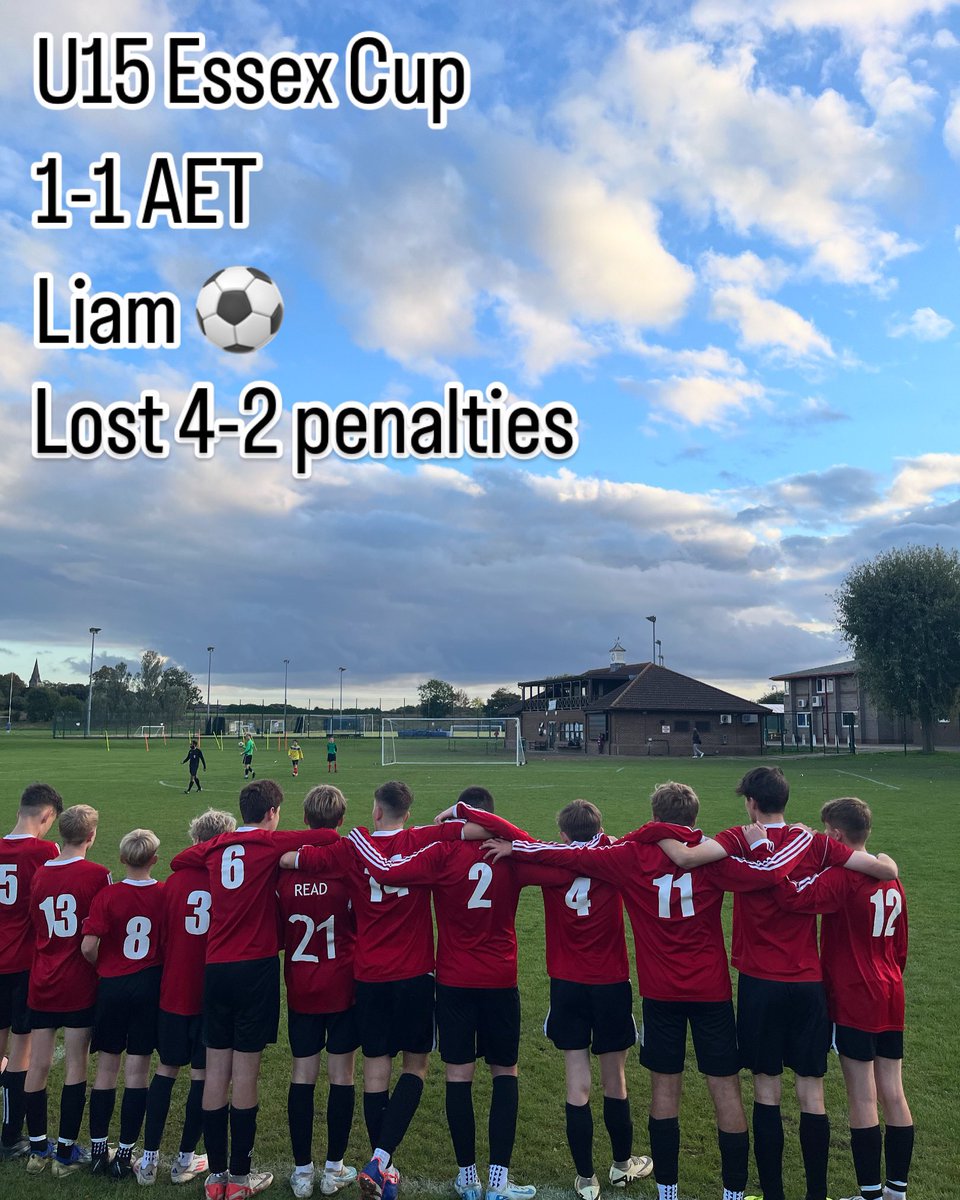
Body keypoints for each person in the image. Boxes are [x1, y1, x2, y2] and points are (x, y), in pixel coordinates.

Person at [484, 782, 815, 1200]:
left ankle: (666, 1192)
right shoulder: (714, 855)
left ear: (656, 817)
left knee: (663, 1091)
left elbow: (565, 853)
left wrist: (514, 846)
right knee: (725, 1090)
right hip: (710, 991)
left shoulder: (629, 855)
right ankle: (732, 1193)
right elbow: (764, 877)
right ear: (693, 818)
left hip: (659, 993)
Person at [651, 766, 899, 1200]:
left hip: (760, 983)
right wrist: (888, 862)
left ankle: (773, 1193)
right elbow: (877, 869)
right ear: (786, 800)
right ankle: (816, 1193)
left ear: (750, 802)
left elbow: (688, 859)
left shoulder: (734, 840)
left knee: (767, 1089)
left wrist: (651, 833)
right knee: (811, 1092)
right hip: (807, 983)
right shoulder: (817, 843)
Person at [352, 786, 562, 1200]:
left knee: (457, 1076)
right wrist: (515, 845)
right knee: (505, 1073)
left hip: (452, 981)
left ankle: (468, 1177)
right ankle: (499, 1181)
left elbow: (390, 872)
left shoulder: (441, 854)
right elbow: (553, 859)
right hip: (500, 979)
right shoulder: (512, 854)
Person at [445, 795, 653, 1200]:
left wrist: (465, 813)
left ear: (562, 834)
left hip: (568, 984)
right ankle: (622, 1165)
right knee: (616, 1080)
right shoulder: (614, 858)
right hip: (610, 982)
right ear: (599, 830)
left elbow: (518, 837)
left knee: (577, 1083)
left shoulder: (550, 861)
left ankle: (586, 1178)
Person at [279, 781, 465, 1200]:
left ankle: (379, 1163)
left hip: (370, 977)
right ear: (407, 814)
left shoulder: (350, 850)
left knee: (374, 1071)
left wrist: (293, 860)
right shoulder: (421, 842)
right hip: (416, 973)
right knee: (416, 1067)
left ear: (376, 812)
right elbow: (463, 832)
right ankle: (381, 1159)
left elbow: (295, 856)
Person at [169, 779, 344, 1200]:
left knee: (216, 1071)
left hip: (217, 968)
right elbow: (326, 836)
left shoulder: (216, 846)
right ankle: (240, 1178)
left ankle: (215, 1179)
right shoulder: (268, 842)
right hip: (256, 968)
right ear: (271, 812)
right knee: (245, 1073)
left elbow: (177, 860)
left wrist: (213, 851)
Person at [775, 798, 913, 1200]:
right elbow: (901, 946)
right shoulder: (891, 877)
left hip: (856, 995)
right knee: (893, 1089)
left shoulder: (840, 877)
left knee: (862, 1094)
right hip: (891, 990)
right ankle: (896, 1191)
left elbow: (791, 898)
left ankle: (870, 1193)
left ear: (835, 835)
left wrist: (792, 850)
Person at [136, 808, 237, 1188]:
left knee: (165, 1070)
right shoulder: (228, 881)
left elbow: (160, 940)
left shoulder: (174, 883)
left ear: (196, 839)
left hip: (175, 989)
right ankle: (183, 1159)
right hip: (212, 991)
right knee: (202, 1076)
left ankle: (147, 1161)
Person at [277, 785, 359, 1199]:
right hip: (342, 985)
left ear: (305, 820)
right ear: (340, 821)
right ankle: (333, 1169)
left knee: (303, 1074)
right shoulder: (347, 866)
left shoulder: (287, 871)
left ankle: (302, 1171)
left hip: (301, 986)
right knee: (341, 1075)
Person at [23, 804, 111, 1177]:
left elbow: (34, 920)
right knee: (76, 1064)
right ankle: (63, 1153)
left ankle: (37, 1149)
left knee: (38, 1063)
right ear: (91, 836)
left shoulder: (40, 875)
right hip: (78, 981)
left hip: (42, 979)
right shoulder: (98, 875)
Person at [82, 828, 167, 1178]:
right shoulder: (164, 893)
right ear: (154, 860)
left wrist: (104, 966)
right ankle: (126, 1154)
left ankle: (98, 1150)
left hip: (113, 985)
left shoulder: (108, 894)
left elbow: (88, 946)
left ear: (121, 859)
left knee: (106, 1069)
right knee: (138, 1072)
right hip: (148, 986)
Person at [0, 782, 62, 1160]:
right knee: (20, 1051)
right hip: (23, 964)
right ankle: (10, 1137)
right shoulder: (44, 851)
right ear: (46, 816)